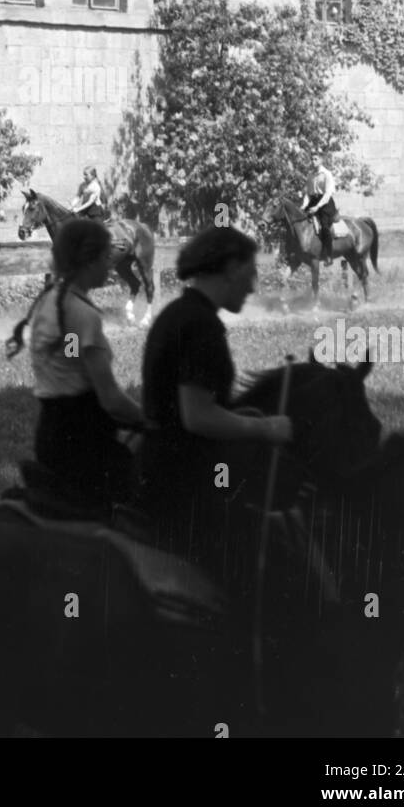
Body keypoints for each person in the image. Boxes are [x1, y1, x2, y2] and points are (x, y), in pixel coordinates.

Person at [134, 226, 292, 572]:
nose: (252, 286)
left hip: (159, 464)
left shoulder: (178, 312)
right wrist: (264, 428)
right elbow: (198, 416)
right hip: (185, 482)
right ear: (232, 268)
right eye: (250, 274)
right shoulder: (201, 325)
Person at [7, 217, 143, 509]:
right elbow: (111, 400)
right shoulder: (83, 314)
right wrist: (150, 421)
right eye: (106, 257)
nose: (110, 265)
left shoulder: (51, 300)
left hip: (51, 433)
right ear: (88, 261)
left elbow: (70, 357)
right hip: (85, 440)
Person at [301, 157, 338, 266]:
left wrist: (317, 207)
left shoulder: (327, 174)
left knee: (325, 226)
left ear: (321, 160)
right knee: (300, 220)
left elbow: (328, 194)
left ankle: (329, 256)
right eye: (312, 159)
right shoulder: (310, 175)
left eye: (315, 159)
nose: (313, 161)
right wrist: (304, 206)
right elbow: (308, 193)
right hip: (313, 201)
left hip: (325, 204)